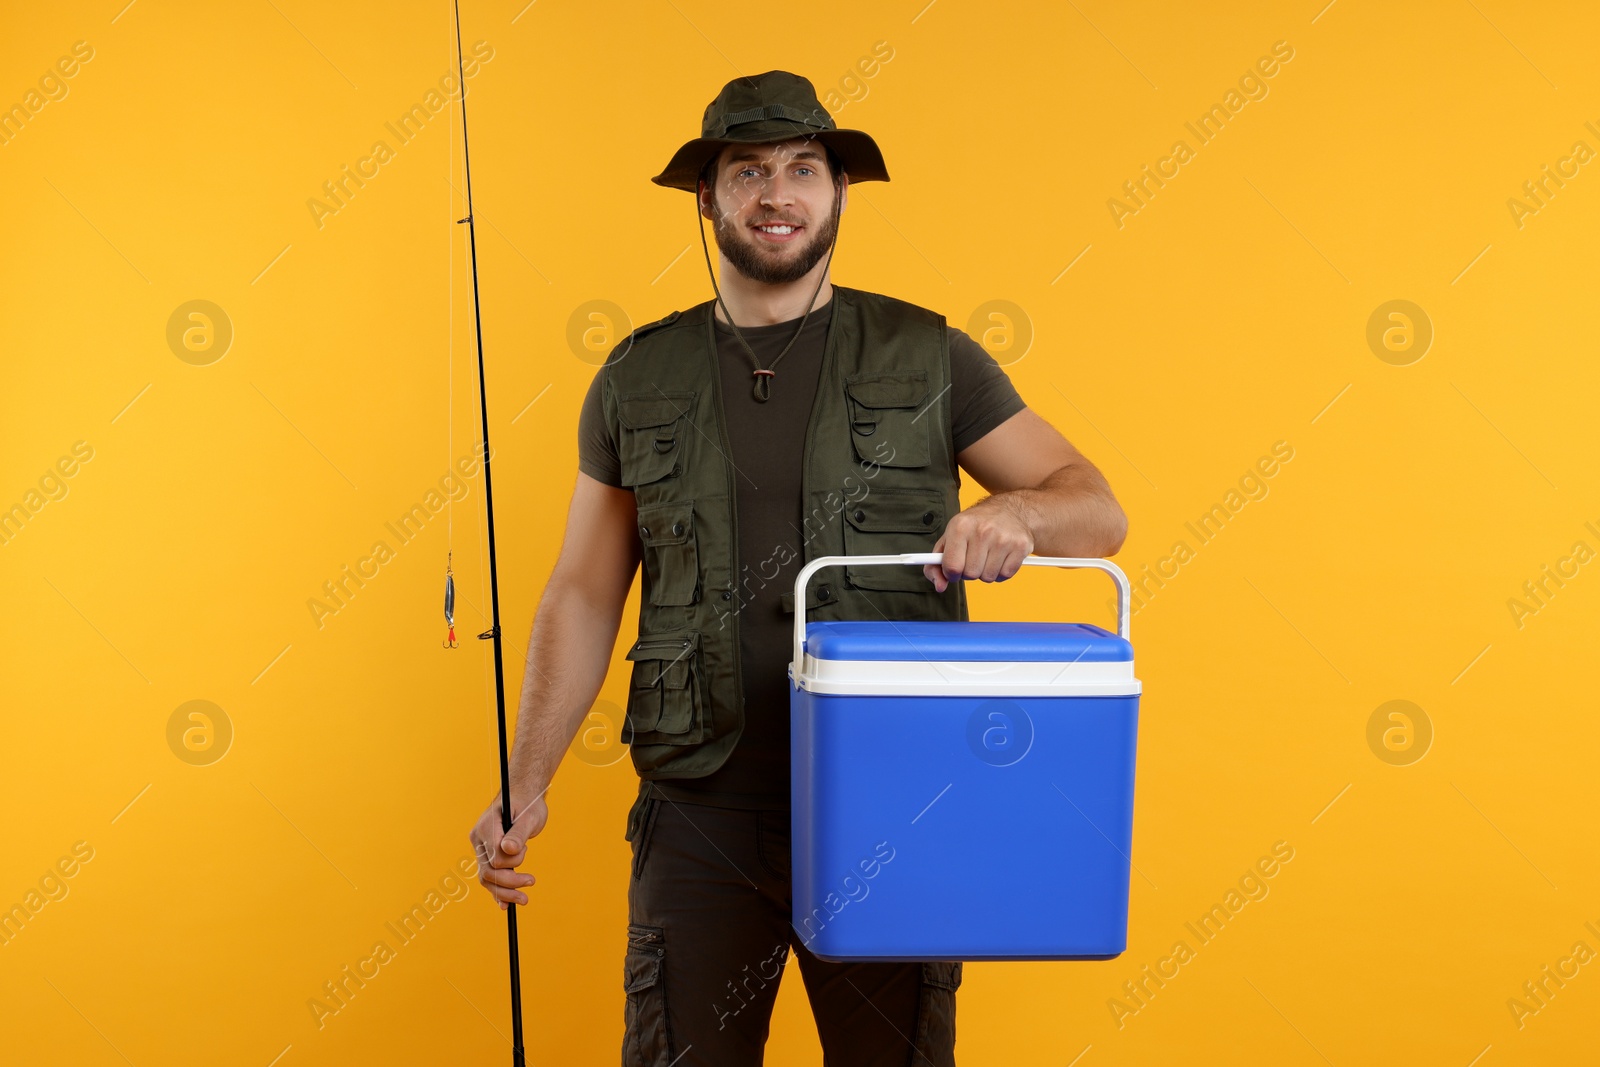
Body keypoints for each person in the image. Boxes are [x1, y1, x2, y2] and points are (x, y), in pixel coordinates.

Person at [468, 70, 1128, 1066]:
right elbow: (583, 588)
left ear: (837, 194)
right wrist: (527, 778)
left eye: (803, 169)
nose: (777, 193)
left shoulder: (932, 355)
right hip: (701, 812)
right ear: (707, 198)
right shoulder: (635, 377)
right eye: (748, 171)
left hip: (896, 803)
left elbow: (1099, 512)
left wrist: (1019, 513)